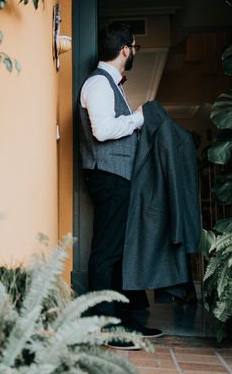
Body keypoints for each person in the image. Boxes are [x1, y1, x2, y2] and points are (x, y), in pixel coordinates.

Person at [78, 22, 163, 349]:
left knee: (117, 252)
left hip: (117, 177)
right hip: (109, 176)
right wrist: (139, 117)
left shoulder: (109, 83)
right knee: (106, 252)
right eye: (135, 47)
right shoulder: (99, 84)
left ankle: (125, 322)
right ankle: (108, 327)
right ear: (125, 49)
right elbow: (102, 131)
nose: (134, 52)